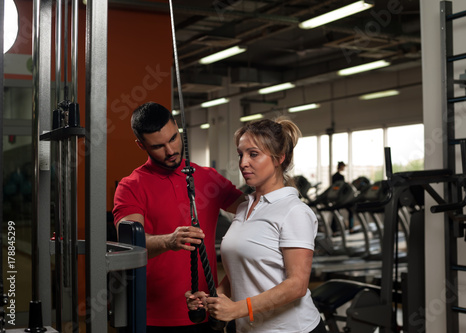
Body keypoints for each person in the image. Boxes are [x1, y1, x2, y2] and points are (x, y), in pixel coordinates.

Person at [112, 102, 245, 332]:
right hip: (153, 318)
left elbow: (252, 209)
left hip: (205, 309)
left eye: (173, 138)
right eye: (158, 146)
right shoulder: (131, 186)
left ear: (177, 127)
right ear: (141, 145)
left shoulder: (207, 178)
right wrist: (169, 241)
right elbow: (131, 244)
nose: (170, 150)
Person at [186, 117, 327, 333]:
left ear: (279, 158)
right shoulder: (244, 207)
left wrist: (237, 309)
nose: (243, 163)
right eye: (240, 154)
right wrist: (213, 298)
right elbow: (241, 270)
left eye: (253, 154)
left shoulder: (294, 211)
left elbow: (297, 285)